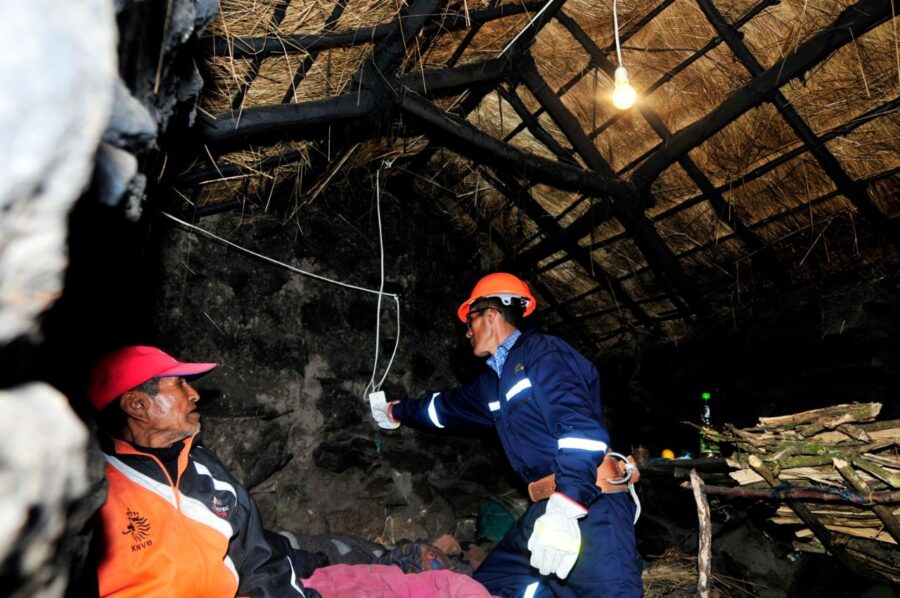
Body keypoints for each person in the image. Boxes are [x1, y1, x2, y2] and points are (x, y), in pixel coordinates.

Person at [371, 273, 643, 597]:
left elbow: (581, 432)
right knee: (482, 588)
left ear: (491, 314)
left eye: (470, 319)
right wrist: (396, 411)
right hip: (546, 509)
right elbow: (443, 409)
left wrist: (567, 505)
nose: (467, 331)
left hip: (591, 506)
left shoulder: (543, 354)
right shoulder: (492, 384)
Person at [85, 345, 320, 597]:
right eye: (180, 384)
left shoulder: (203, 467)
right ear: (137, 405)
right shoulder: (93, 490)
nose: (194, 394)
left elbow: (258, 558)